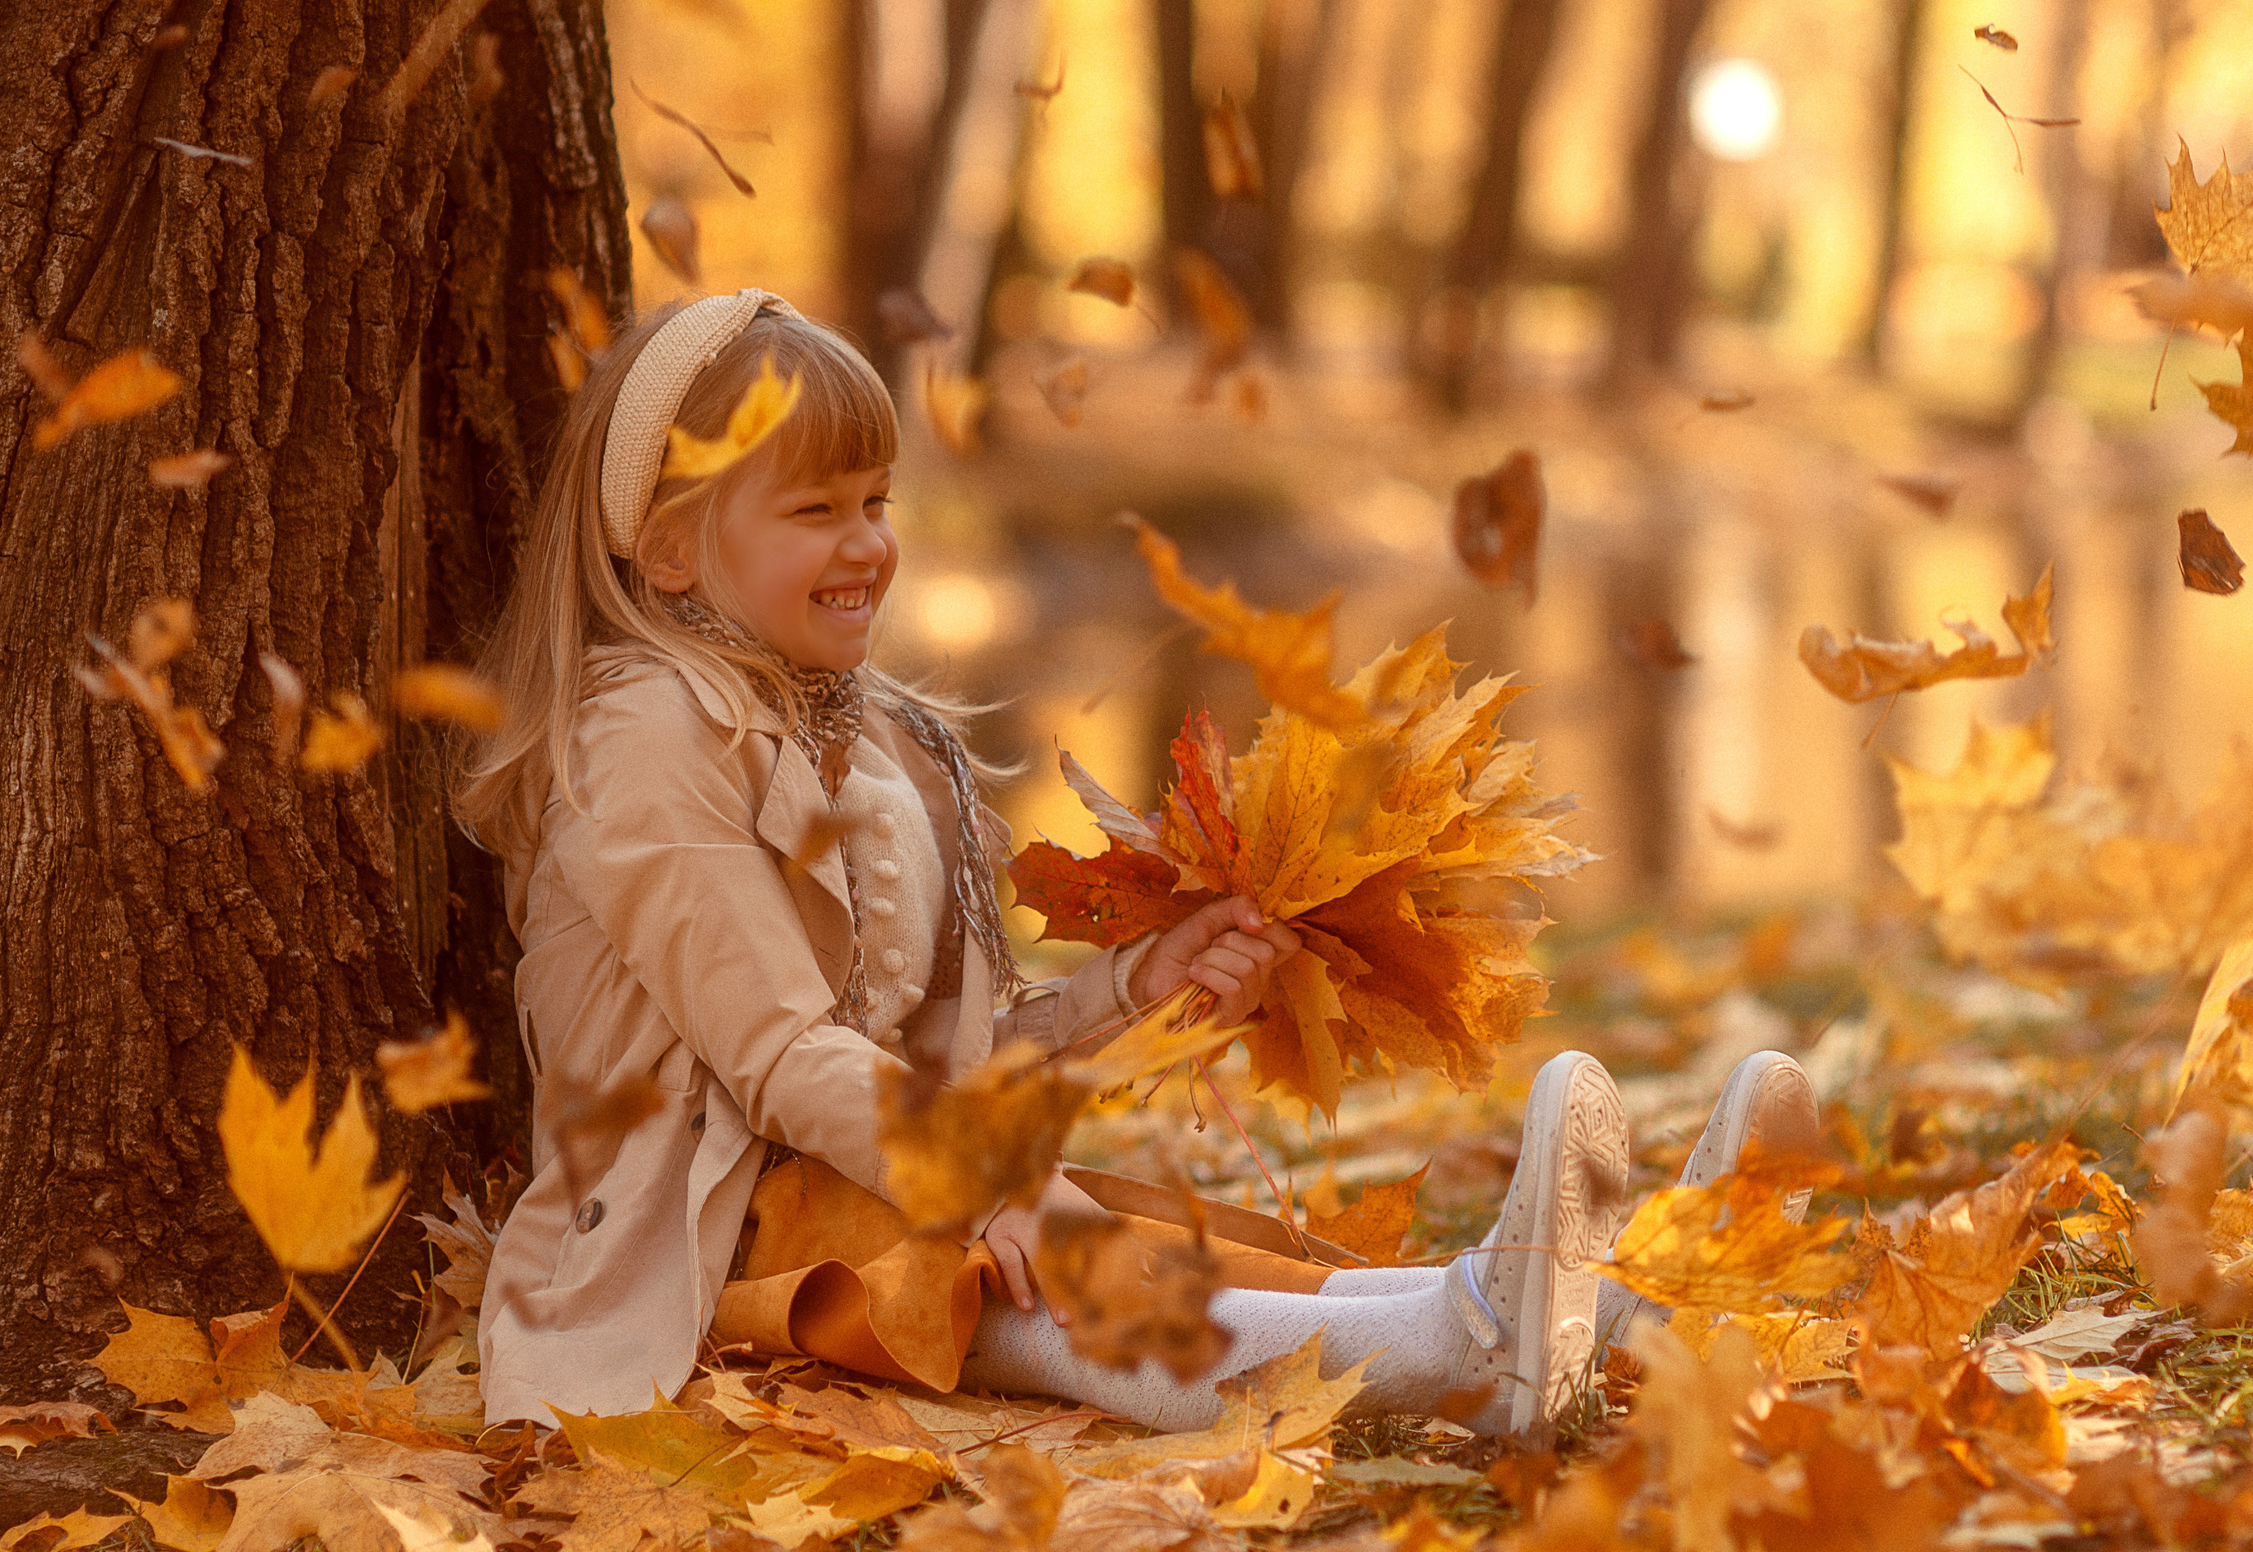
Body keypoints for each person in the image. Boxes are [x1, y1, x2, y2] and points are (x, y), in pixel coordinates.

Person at [454, 288, 1816, 1435]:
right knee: (1029, 1269)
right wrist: (1001, 1183)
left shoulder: (876, 744)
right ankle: (1463, 1346)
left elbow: (957, 1065)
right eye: (817, 509)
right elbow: (785, 1060)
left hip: (872, 1176)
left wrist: (1139, 982)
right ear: (676, 544)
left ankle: (1612, 1301)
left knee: (1155, 1249)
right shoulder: (645, 737)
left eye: (876, 498)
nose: (871, 540)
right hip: (706, 1247)